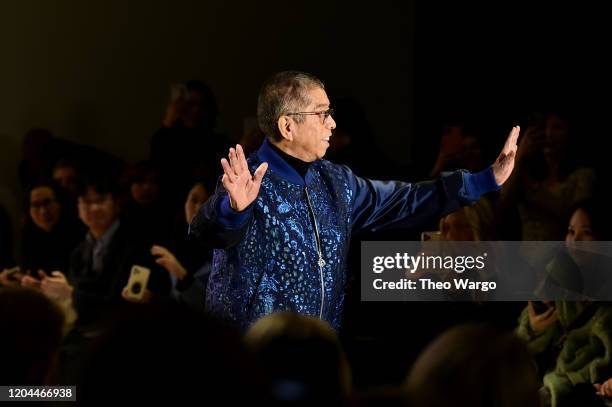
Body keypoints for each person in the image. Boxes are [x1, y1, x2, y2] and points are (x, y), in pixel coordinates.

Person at [190, 71, 520, 330]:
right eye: (322, 113)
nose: (332, 123)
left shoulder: (336, 182)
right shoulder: (247, 179)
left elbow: (404, 200)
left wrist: (485, 180)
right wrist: (234, 210)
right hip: (251, 363)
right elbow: (206, 232)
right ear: (287, 126)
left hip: (318, 357)